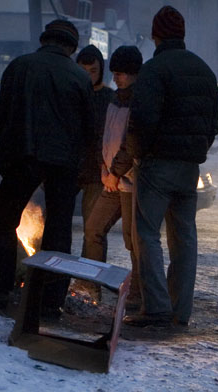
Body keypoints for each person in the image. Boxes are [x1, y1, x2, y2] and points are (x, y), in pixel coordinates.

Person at [0, 19, 92, 317]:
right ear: (71, 47)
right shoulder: (79, 77)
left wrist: (7, 153)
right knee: (59, 232)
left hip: (24, 156)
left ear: (45, 40)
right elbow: (88, 129)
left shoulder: (20, 66)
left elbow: (2, 116)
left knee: (1, 221)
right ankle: (50, 301)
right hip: (62, 163)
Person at [124, 5, 218, 329]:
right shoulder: (204, 70)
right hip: (188, 167)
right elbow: (214, 124)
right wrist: (197, 149)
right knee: (185, 238)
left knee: (147, 233)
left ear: (156, 35)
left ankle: (156, 309)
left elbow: (142, 120)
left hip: (156, 165)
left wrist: (138, 156)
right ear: (182, 34)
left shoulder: (154, 70)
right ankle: (180, 311)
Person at [81, 45, 143, 308]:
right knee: (93, 229)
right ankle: (89, 287)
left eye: (123, 74)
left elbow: (132, 143)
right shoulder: (114, 100)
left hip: (128, 182)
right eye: (115, 73)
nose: (117, 78)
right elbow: (102, 138)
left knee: (134, 240)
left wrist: (115, 172)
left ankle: (138, 293)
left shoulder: (138, 102)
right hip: (112, 179)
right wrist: (104, 170)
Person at [76, 44, 116, 261]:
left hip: (96, 170)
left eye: (93, 71)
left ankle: (88, 282)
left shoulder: (109, 97)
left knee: (93, 229)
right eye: (84, 71)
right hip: (73, 166)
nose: (89, 76)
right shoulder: (72, 94)